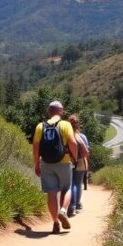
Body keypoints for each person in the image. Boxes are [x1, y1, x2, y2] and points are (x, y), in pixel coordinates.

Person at [32, 100, 78, 234]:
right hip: (64, 162)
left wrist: (36, 163)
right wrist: (74, 158)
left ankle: (55, 223)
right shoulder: (65, 124)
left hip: (46, 163)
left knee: (51, 192)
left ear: (49, 112)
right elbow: (72, 142)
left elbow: (35, 146)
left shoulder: (40, 126)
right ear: (61, 111)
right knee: (67, 188)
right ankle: (63, 211)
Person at [67, 114, 89, 216]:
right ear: (78, 125)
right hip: (80, 162)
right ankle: (75, 205)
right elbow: (86, 152)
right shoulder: (82, 137)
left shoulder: (66, 135)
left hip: (69, 160)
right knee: (77, 184)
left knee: (70, 184)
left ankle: (71, 205)